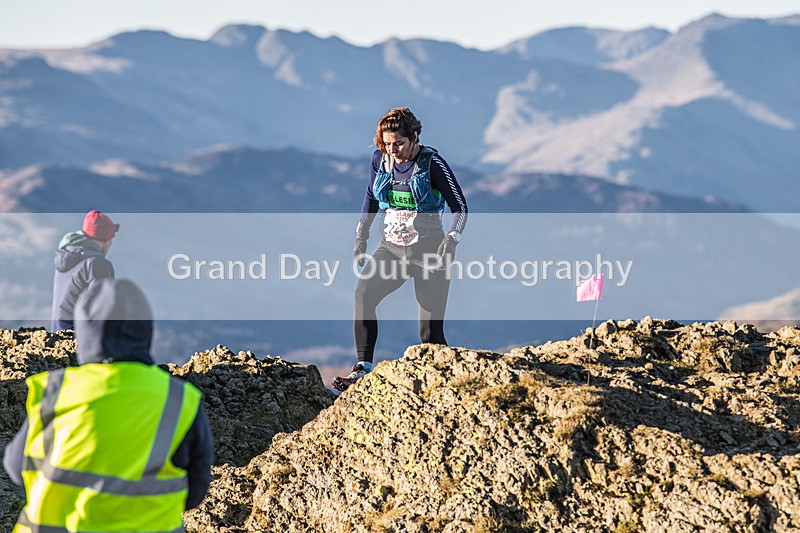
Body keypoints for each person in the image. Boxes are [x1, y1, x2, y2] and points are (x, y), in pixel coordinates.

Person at [4, 279, 214, 532]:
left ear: (84, 332)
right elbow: (196, 490)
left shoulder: (56, 392)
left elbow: (16, 468)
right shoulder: (178, 398)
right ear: (145, 333)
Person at [332, 107, 468, 391]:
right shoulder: (379, 160)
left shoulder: (433, 164)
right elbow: (370, 196)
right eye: (387, 143)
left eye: (399, 143)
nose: (392, 149)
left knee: (430, 334)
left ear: (415, 136)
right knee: (363, 294)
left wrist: (452, 238)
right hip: (391, 249)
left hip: (430, 252)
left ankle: (450, 385)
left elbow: (460, 206)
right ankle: (362, 368)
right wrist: (361, 235)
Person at [51, 209, 119, 331]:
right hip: (82, 341)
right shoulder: (97, 264)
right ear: (107, 241)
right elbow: (101, 310)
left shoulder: (66, 257)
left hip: (59, 336)